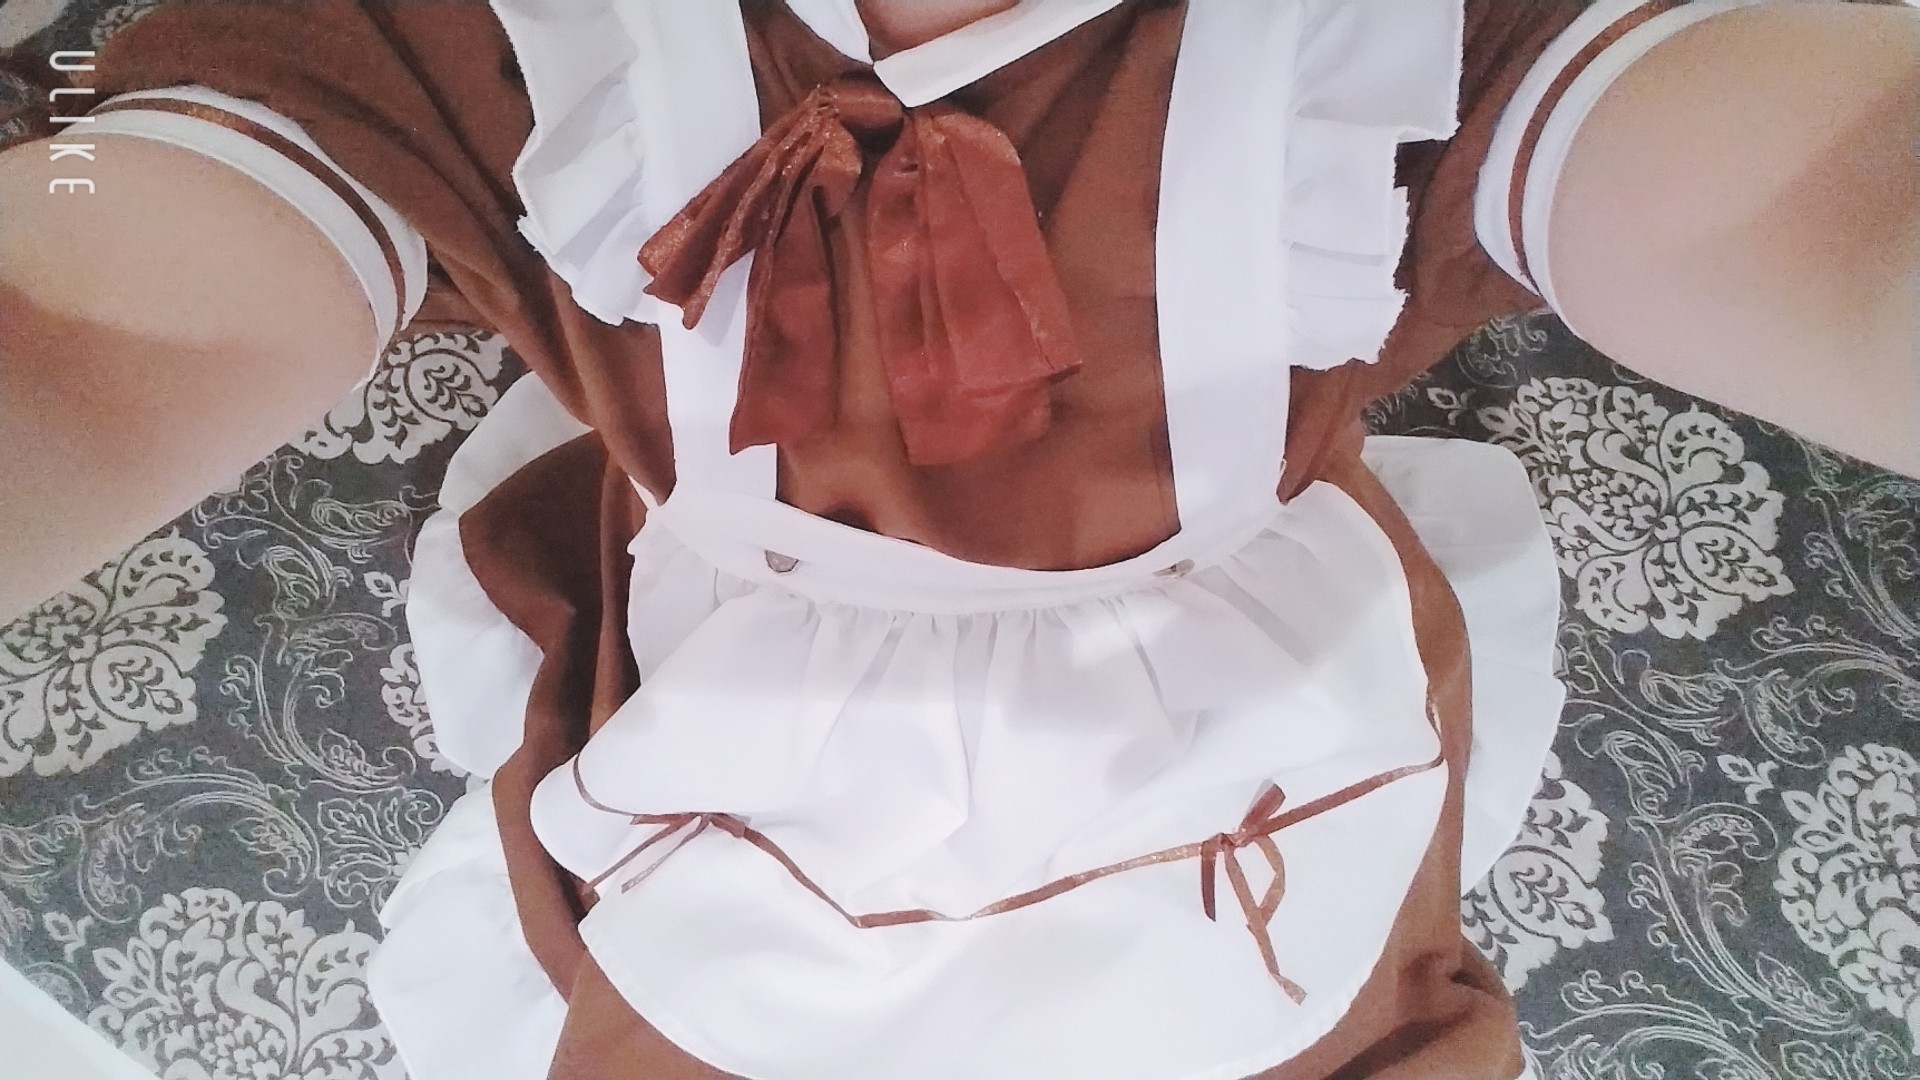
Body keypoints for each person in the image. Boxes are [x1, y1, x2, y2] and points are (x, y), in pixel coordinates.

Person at [0, 1, 1914, 1077]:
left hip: (1249, 721)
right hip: (755, 735)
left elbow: (1821, 182)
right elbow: (97, 277)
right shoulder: (458, 27)